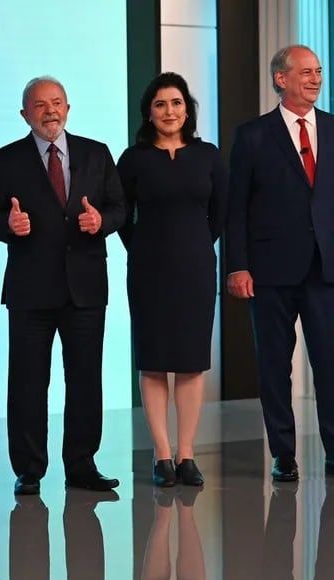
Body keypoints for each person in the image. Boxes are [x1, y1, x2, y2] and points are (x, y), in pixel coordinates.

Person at [0, 76, 126, 494]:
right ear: (25, 113)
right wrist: (7, 225)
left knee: (85, 380)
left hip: (85, 288)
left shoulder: (95, 153)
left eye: (57, 103)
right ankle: (29, 469)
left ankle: (82, 465)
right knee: (28, 382)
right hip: (30, 290)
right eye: (40, 105)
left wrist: (102, 222)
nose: (50, 111)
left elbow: (119, 208)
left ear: (68, 108)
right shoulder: (6, 158)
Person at [226, 44, 334, 482]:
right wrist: (237, 266)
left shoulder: (331, 128)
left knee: (329, 363)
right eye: (305, 71)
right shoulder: (252, 136)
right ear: (280, 79)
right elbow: (237, 209)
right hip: (269, 270)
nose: (315, 78)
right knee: (274, 365)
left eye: (319, 71)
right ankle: (284, 454)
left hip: (325, 270)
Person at [117, 72, 227, 487]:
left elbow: (220, 213)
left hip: (196, 269)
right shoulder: (133, 159)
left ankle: (186, 454)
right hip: (148, 271)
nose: (169, 111)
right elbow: (121, 215)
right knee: (153, 362)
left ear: (188, 109)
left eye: (176, 103)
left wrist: (196, 245)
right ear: (149, 111)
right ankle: (161, 455)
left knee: (190, 364)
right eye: (160, 104)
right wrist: (144, 247)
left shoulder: (208, 155)